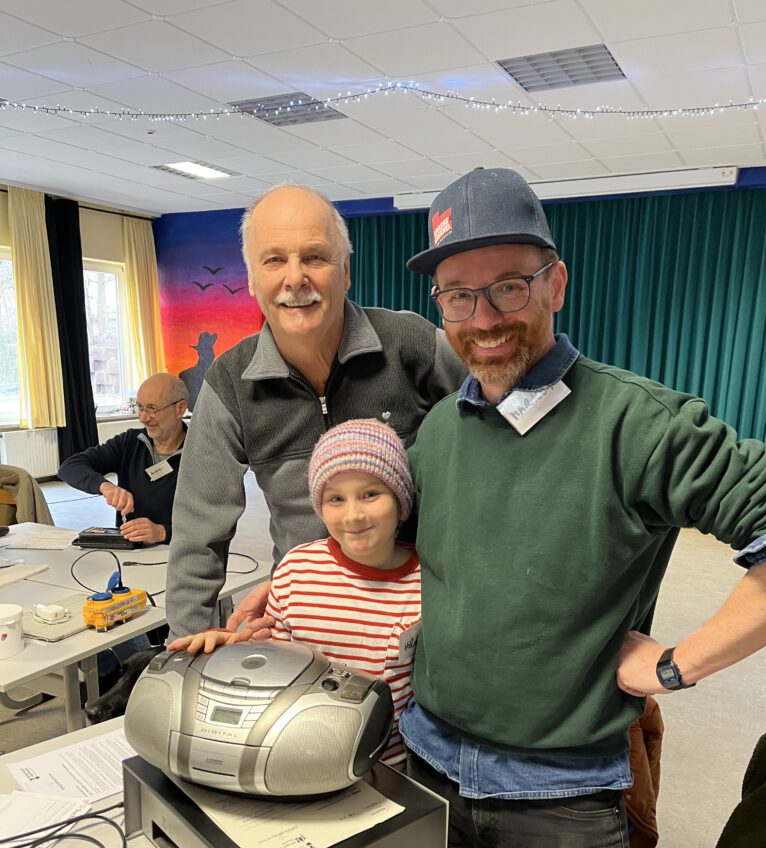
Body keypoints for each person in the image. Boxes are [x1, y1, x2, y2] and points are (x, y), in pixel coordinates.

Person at [397, 166, 766, 848]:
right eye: (458, 295)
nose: (483, 318)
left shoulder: (640, 424)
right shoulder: (438, 430)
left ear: (556, 284)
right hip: (429, 758)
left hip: (559, 792)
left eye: (508, 287)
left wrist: (677, 664)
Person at [165, 183, 466, 640]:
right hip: (307, 616)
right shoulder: (229, 382)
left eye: (315, 257)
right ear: (251, 279)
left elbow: (498, 429)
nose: (295, 278)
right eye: (274, 260)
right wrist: (186, 648)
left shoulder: (414, 345)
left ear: (345, 271)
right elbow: (197, 530)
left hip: (419, 609)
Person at [169, 418, 420, 768]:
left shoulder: (427, 582)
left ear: (400, 499)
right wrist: (233, 651)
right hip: (296, 760)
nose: (353, 515)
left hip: (388, 767)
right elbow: (275, 666)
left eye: (370, 494)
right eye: (336, 498)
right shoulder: (296, 569)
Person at [59, 373, 188, 545]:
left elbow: (214, 523)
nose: (143, 418)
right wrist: (105, 487)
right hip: (131, 553)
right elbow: (70, 466)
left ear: (180, 408)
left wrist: (163, 532)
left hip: (179, 553)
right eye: (140, 408)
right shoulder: (130, 443)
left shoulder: (203, 452)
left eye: (152, 409)